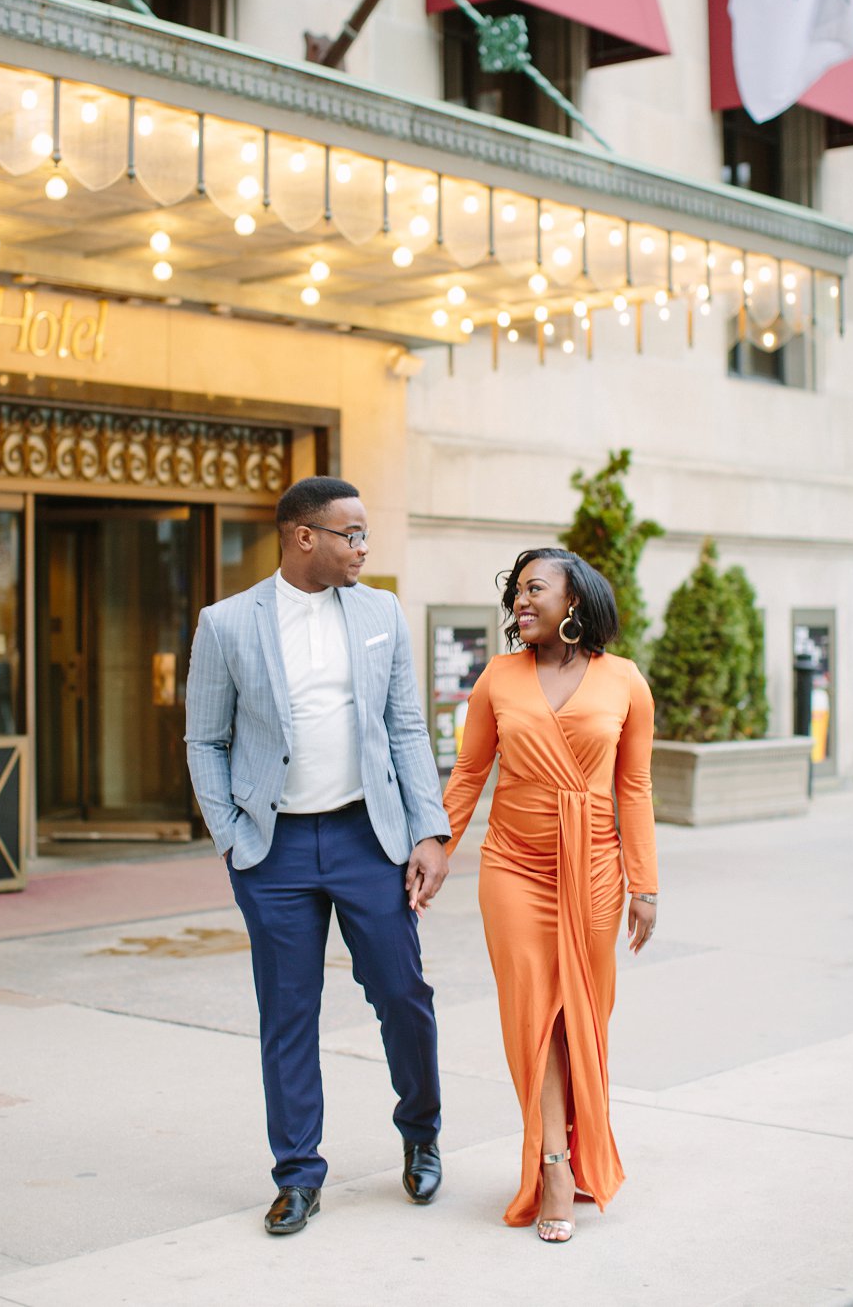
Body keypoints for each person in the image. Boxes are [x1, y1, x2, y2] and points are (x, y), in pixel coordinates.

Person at [185, 476, 451, 1236]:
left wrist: (428, 831)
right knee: (289, 1015)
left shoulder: (381, 612)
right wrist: (232, 840)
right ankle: (298, 1175)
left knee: (403, 994)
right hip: (274, 852)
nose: (364, 547)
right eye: (352, 535)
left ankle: (421, 1130)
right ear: (305, 536)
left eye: (365, 534)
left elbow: (408, 727)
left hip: (370, 838)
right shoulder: (226, 624)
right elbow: (205, 739)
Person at [441, 548, 658, 1243]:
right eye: (515, 592)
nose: (520, 602)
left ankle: (575, 1150)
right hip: (513, 866)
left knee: (581, 1020)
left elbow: (635, 787)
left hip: (594, 867)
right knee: (535, 1014)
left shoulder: (625, 682)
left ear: (576, 601)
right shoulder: (498, 679)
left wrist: (644, 883)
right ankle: (554, 1167)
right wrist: (435, 851)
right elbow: (470, 773)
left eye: (535, 589)